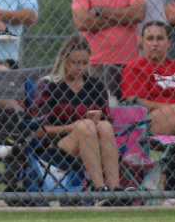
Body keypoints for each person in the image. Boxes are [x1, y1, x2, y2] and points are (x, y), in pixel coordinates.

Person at [29, 35, 120, 195]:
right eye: (75, 63)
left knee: (105, 126)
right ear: (64, 61)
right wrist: (73, 127)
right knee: (85, 126)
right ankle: (100, 189)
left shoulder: (95, 86)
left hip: (94, 144)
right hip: (57, 147)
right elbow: (37, 131)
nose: (80, 68)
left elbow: (107, 123)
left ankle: (115, 189)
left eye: (84, 63)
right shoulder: (49, 85)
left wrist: (98, 119)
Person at [121, 22, 175, 140]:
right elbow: (136, 101)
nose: (155, 43)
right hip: (152, 120)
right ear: (141, 42)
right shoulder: (136, 67)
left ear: (169, 43)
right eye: (150, 39)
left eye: (160, 38)